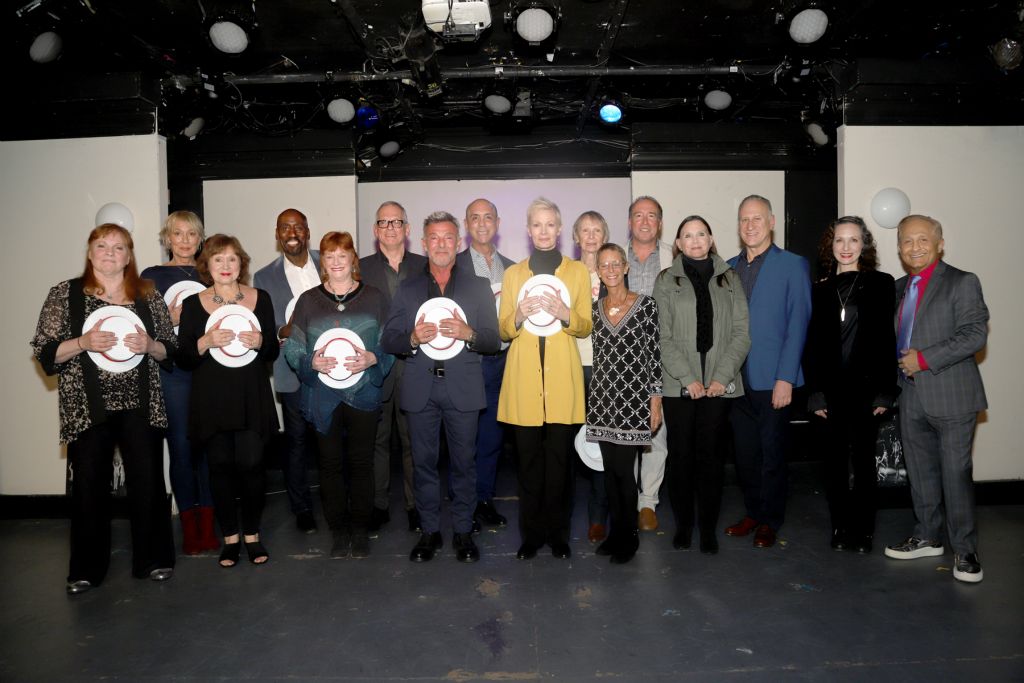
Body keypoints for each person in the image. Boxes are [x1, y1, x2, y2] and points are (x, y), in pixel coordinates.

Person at [32, 223, 176, 594]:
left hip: (141, 402)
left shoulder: (147, 295)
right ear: (89, 251)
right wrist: (83, 341)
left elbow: (170, 350)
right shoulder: (65, 294)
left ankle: (154, 559)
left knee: (147, 481)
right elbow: (45, 351)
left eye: (119, 247)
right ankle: (85, 569)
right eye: (102, 245)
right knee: (88, 485)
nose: (109, 252)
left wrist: (150, 346)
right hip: (86, 404)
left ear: (129, 256)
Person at [381, 212, 500, 563]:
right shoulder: (408, 288)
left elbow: (493, 340)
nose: (442, 244)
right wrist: (412, 338)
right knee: (423, 464)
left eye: (448, 237)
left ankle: (463, 532)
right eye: (434, 238)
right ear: (423, 243)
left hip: (463, 388)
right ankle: (429, 532)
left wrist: (470, 334)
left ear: (458, 241)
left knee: (464, 463)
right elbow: (389, 339)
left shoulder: (477, 287)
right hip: (421, 388)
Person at [884, 215, 988, 583]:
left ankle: (965, 550)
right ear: (898, 248)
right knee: (920, 472)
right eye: (907, 241)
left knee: (955, 474)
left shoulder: (962, 282)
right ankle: (927, 536)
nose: (914, 247)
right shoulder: (897, 288)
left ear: (939, 243)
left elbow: (975, 334)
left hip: (953, 394)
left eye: (922, 240)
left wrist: (924, 359)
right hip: (910, 396)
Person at [284, 232, 394, 559]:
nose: (336, 262)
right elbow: (293, 346)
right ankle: (338, 531)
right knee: (329, 465)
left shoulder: (374, 297)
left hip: (363, 393)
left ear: (352, 259)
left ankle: (360, 530)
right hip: (323, 395)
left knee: (361, 463)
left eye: (342, 256)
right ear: (324, 262)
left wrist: (375, 358)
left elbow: (389, 341)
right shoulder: (308, 301)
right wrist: (309, 361)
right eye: (329, 256)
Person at [498, 197, 592, 560]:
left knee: (560, 466)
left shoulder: (578, 272)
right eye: (537, 225)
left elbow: (585, 326)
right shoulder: (513, 275)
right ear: (528, 229)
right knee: (528, 466)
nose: (543, 231)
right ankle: (531, 535)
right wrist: (518, 314)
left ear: (559, 228)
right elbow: (504, 331)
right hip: (523, 383)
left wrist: (567, 313)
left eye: (550, 224)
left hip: (562, 384)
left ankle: (559, 534)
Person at [177, 234, 279, 568]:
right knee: (219, 467)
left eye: (232, 259)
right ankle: (231, 538)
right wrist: (204, 341)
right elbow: (184, 358)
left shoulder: (259, 298)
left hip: (251, 394)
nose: (225, 265)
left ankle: (252, 534)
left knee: (252, 464)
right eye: (218, 259)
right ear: (207, 264)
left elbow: (272, 351)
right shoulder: (193, 304)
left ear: (241, 265)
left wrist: (262, 340)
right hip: (212, 398)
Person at [654, 216, 750, 555]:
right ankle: (683, 526)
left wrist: (720, 377)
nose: (695, 240)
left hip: (719, 387)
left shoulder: (730, 278)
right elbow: (661, 336)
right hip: (680, 386)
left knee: (711, 460)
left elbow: (741, 333)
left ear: (711, 239)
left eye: (701, 234)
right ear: (678, 243)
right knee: (681, 458)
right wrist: (688, 378)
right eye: (687, 236)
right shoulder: (666, 280)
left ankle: (707, 529)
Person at [804, 217, 897, 554]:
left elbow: (888, 339)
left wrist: (887, 389)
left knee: (863, 463)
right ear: (831, 247)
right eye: (839, 241)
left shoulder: (882, 284)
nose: (846, 247)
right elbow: (811, 344)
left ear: (864, 245)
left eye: (853, 240)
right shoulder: (819, 288)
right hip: (830, 392)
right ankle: (841, 527)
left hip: (867, 390)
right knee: (834, 465)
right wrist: (814, 392)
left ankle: (864, 531)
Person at [725, 195, 811, 548]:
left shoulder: (793, 265)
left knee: (772, 455)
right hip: (735, 380)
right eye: (744, 219)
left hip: (773, 377)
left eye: (757, 219)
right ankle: (752, 512)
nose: (750, 226)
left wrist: (785, 377)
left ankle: (770, 520)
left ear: (772, 221)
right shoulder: (728, 267)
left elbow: (798, 323)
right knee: (745, 456)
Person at [140, 211, 219, 556]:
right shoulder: (151, 277)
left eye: (192, 234)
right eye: (178, 234)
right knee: (183, 449)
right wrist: (168, 319)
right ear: (166, 238)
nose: (185, 240)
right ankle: (190, 529)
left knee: (210, 448)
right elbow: (142, 330)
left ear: (201, 238)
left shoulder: (211, 271)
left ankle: (210, 525)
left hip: (211, 370)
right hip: (173, 372)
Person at [585, 243, 662, 564]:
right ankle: (616, 533)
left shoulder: (646, 306)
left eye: (616, 263)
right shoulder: (594, 309)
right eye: (605, 265)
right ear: (599, 271)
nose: (611, 269)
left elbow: (654, 355)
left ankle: (628, 537)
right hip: (602, 400)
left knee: (624, 473)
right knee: (610, 473)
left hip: (633, 402)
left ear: (626, 267)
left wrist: (655, 401)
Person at [359, 201, 428, 533]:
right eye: (383, 223)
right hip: (375, 365)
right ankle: (379, 504)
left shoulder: (425, 267)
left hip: (417, 364)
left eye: (396, 222)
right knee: (378, 438)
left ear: (407, 229)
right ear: (375, 231)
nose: (389, 228)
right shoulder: (360, 269)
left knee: (415, 439)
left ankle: (417, 506)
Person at [253, 208, 321, 535]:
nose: (291, 232)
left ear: (307, 231)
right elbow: (266, 329)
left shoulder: (331, 260)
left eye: (297, 226)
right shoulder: (263, 277)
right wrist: (286, 330)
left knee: (333, 438)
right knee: (295, 442)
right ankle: (302, 508)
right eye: (284, 227)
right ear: (277, 234)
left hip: (333, 366)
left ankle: (342, 502)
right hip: (291, 368)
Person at [455, 198, 515, 529]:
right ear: (466, 224)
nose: (481, 223)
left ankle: (483, 500)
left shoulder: (514, 268)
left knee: (491, 439)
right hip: (465, 363)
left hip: (500, 363)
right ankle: (463, 504)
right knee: (463, 441)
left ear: (497, 222)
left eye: (488, 217)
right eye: (474, 218)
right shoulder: (454, 267)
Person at [625, 196, 673, 532]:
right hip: (622, 358)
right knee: (624, 432)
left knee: (656, 431)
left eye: (651, 216)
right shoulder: (611, 257)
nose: (644, 221)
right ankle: (627, 497)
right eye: (638, 215)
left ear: (660, 223)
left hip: (663, 356)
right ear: (629, 222)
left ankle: (648, 502)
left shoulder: (674, 257)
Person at [572, 210, 611, 544]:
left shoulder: (613, 272)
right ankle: (561, 512)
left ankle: (598, 516)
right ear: (576, 236)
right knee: (566, 441)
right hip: (570, 365)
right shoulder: (565, 274)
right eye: (585, 230)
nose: (591, 236)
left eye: (597, 230)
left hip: (605, 368)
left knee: (601, 441)